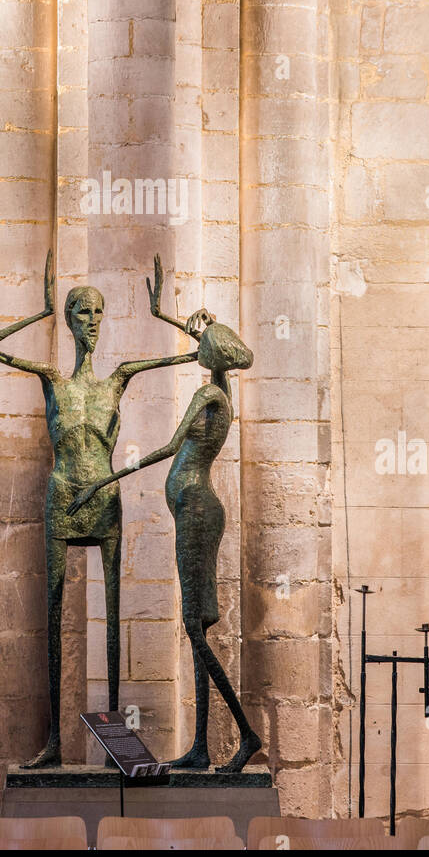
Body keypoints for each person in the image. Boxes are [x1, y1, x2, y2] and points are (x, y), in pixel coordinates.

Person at [0, 251, 202, 768]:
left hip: (102, 494)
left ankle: (114, 745)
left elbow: (198, 355)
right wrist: (41, 310)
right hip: (60, 494)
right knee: (52, 613)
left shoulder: (119, 378)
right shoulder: (52, 379)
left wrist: (167, 315)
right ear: (70, 319)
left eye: (98, 312)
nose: (92, 322)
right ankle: (55, 742)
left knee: (113, 614)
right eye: (81, 312)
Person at [68, 310, 262, 772]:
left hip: (195, 508)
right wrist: (170, 317)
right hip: (197, 507)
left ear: (207, 356)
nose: (196, 350)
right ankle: (200, 747)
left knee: (194, 629)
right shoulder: (223, 391)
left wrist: (105, 480)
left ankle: (247, 734)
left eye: (200, 346)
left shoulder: (205, 395)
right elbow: (208, 349)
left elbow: (169, 448)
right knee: (197, 626)